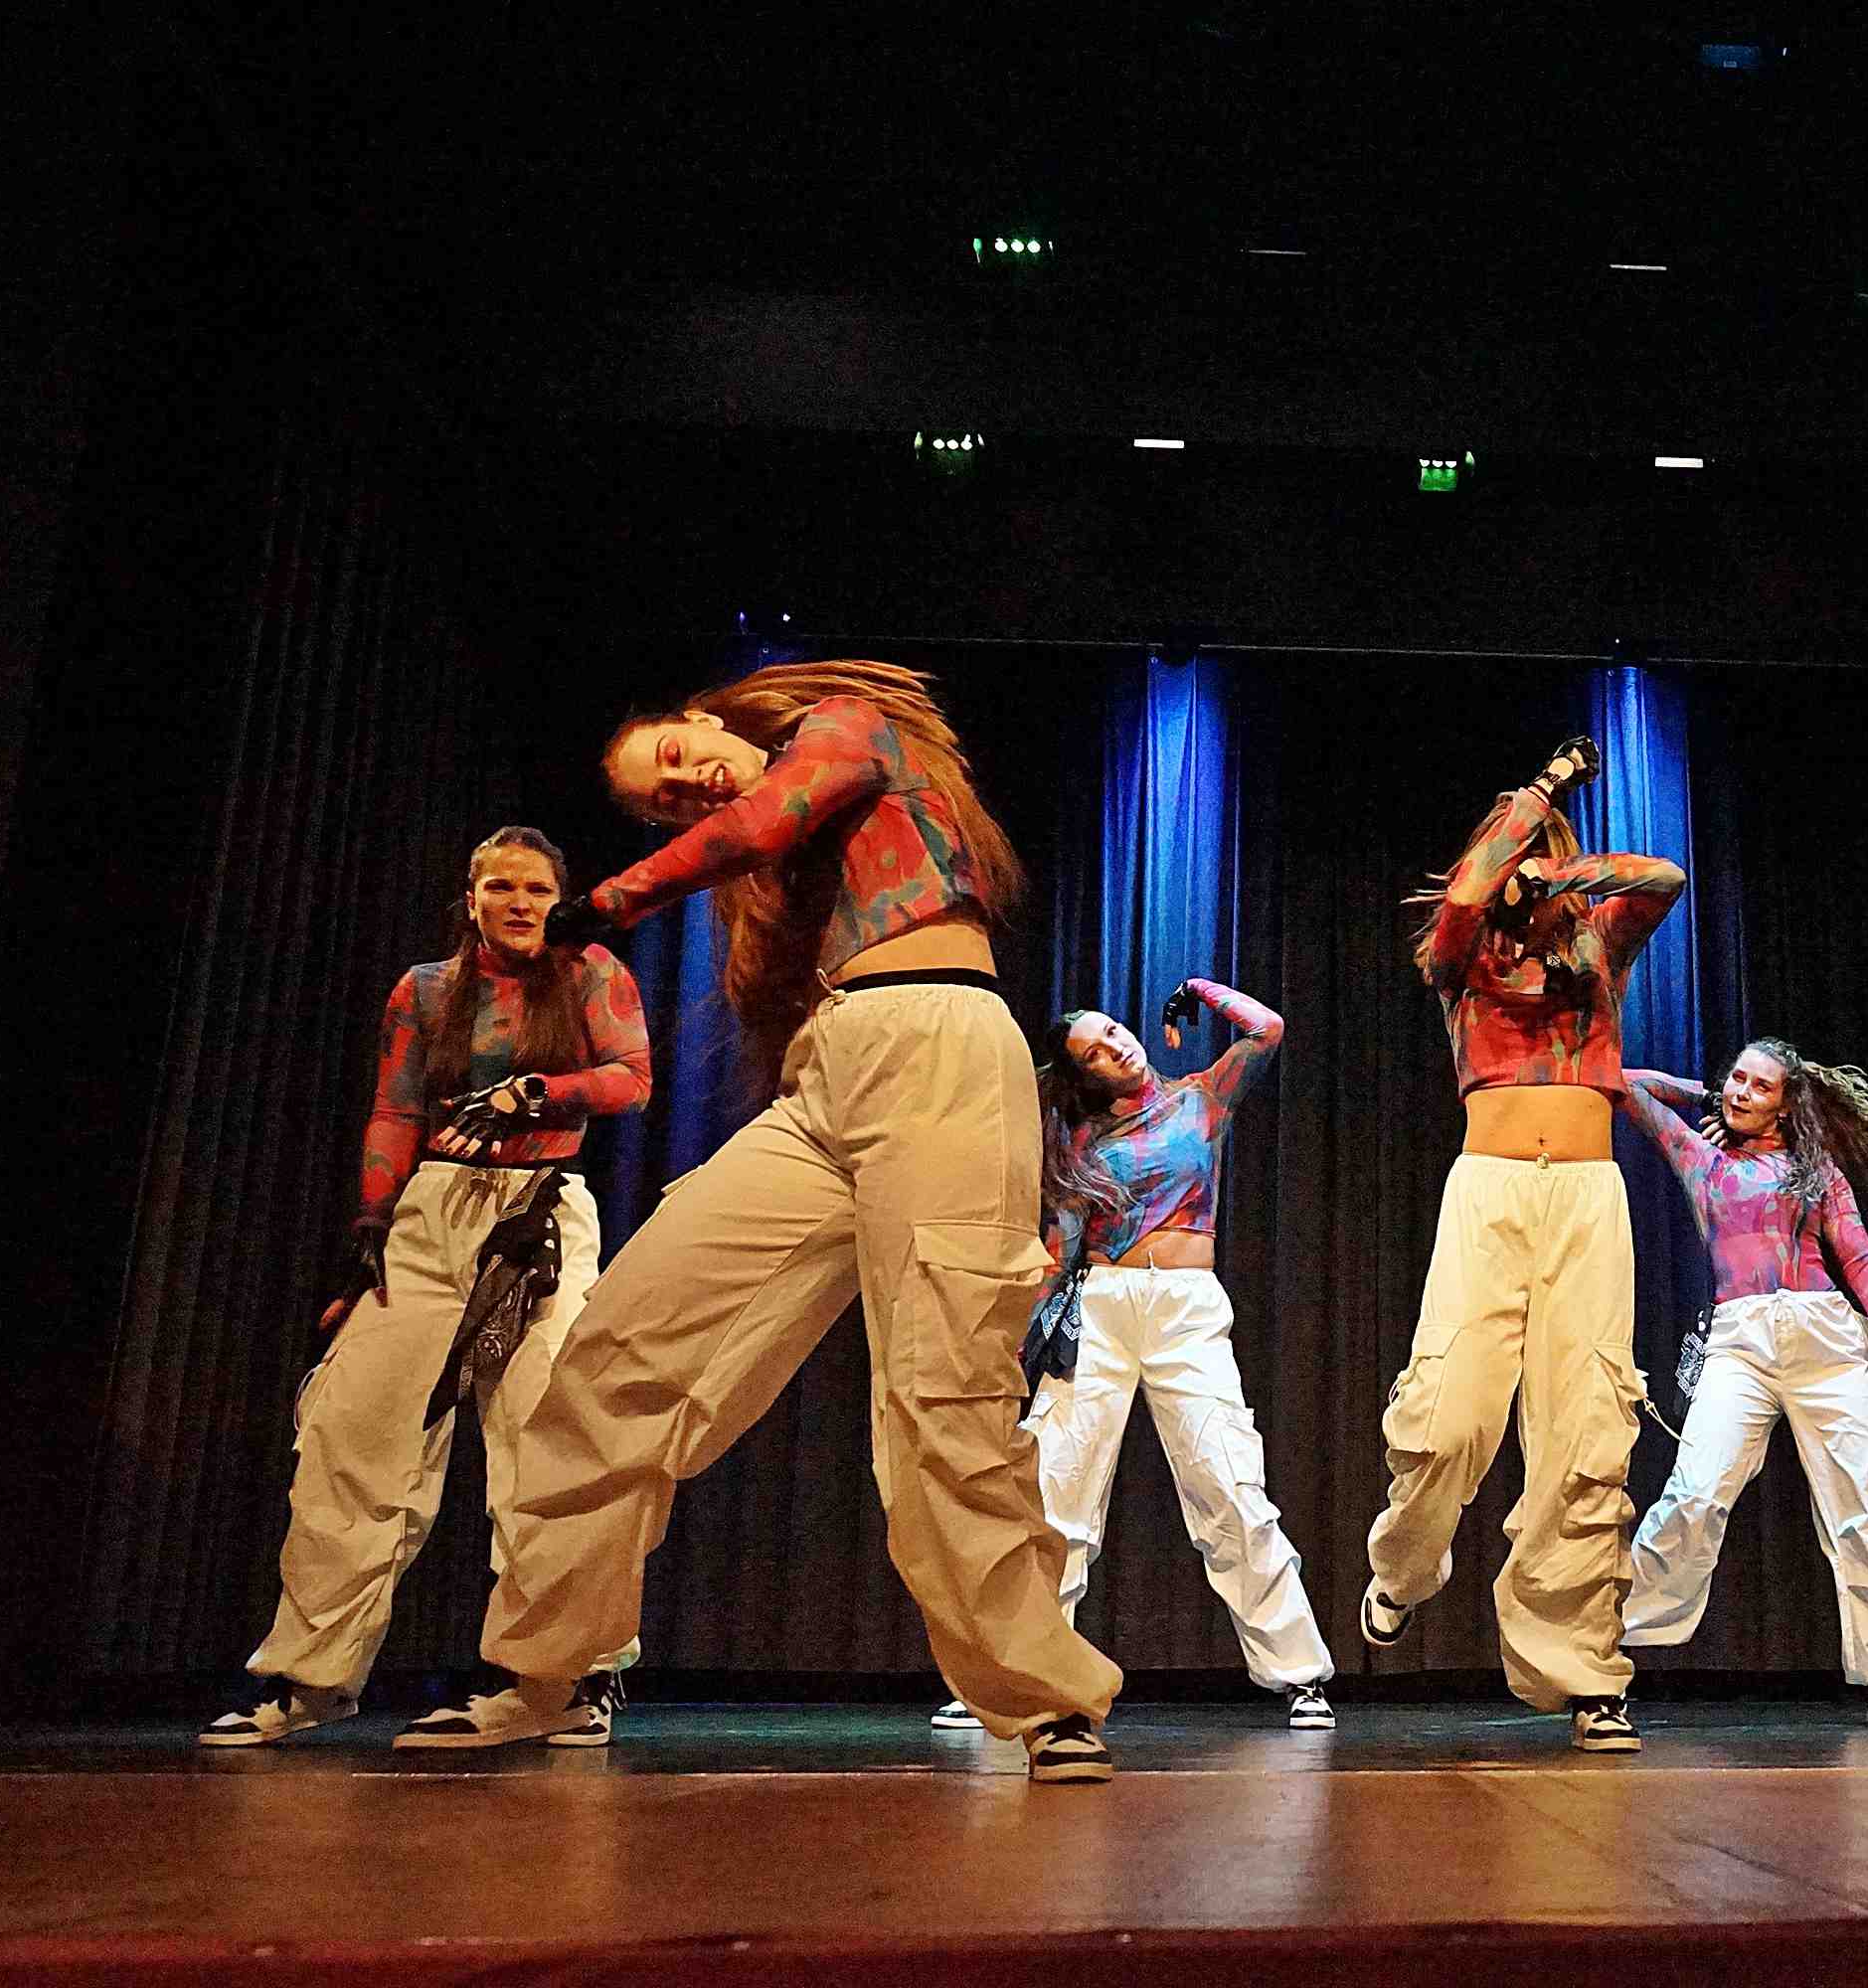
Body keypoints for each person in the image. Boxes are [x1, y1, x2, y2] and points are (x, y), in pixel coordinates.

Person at [408, 660, 1122, 1782]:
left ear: (705, 718)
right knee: (617, 1351)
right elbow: (754, 840)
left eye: (675, 758)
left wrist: (604, 904)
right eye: (663, 801)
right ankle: (545, 1672)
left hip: (942, 1041)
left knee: (944, 1392)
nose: (683, 788)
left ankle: (1048, 1703)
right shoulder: (777, 874)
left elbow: (762, 816)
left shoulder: (847, 728)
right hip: (827, 1075)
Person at [202, 828, 649, 1746]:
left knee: (544, 1436)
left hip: (538, 1208)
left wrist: (537, 1093)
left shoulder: (589, 973)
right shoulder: (427, 989)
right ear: (471, 897)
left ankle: (566, 1677)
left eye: (536, 888)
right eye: (501, 887)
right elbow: (396, 1106)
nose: (519, 903)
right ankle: (310, 1676)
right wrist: (372, 1222)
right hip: (431, 1210)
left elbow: (632, 1079)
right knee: (353, 1432)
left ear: (559, 897)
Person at [1363, 736, 1684, 1751]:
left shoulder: (1599, 944)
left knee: (1588, 1429)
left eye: (1540, 851)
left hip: (1587, 1197)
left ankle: (1583, 1670)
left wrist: (1560, 873)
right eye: (1515, 853)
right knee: (1448, 1417)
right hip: (1491, 1193)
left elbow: (1663, 876)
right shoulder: (1462, 955)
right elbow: (1465, 891)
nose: (1524, 869)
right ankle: (1403, 1568)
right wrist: (1538, 794)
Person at [931, 977, 1335, 1733]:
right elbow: (1056, 1248)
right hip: (1101, 1308)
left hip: (1185, 1309)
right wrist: (1012, 1341)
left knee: (1229, 1485)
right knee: (1055, 1496)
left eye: (1115, 1030)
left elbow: (1268, 1030)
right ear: (1081, 1075)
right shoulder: (1072, 1143)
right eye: (1096, 1050)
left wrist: (1197, 992)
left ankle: (1300, 1674)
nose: (1117, 1047)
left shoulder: (1199, 1100)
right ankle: (1011, 1677)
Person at [1615, 1042, 1868, 1721]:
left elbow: (1859, 1254)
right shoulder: (1701, 1159)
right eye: (1736, 1079)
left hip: (1825, 1342)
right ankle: (1606, 1653)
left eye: (1759, 1086)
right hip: (1740, 1342)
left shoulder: (1816, 1172)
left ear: (1786, 1104)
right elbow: (1622, 1083)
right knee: (1695, 1493)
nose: (1741, 1092)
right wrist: (1702, 1093)